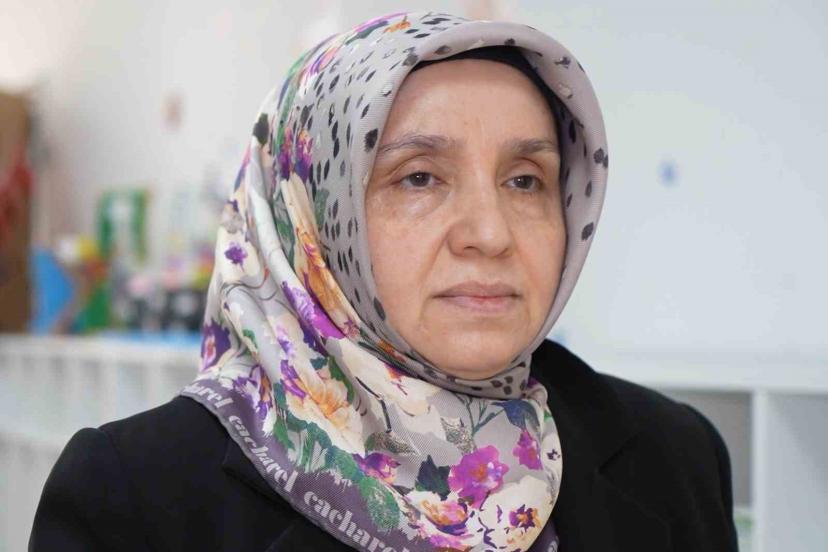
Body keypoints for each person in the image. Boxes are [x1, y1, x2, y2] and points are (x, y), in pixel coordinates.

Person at [29, 10, 738, 552]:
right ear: (312, 220)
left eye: (525, 180)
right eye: (419, 177)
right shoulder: (134, 497)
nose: (490, 233)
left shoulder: (673, 456)